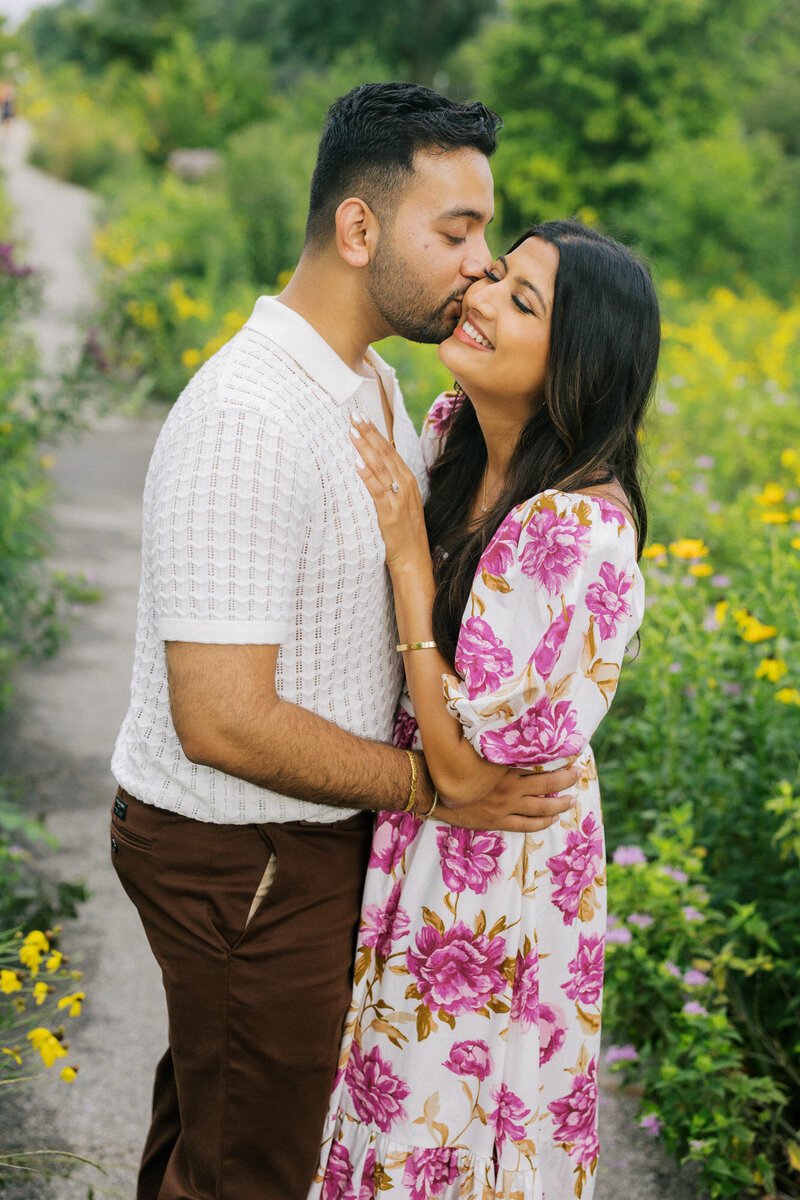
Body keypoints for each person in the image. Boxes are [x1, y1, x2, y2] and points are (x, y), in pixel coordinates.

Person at [110, 84, 578, 1200]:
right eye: (455, 233)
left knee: (217, 1134)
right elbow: (219, 717)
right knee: (253, 1171)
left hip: (301, 843)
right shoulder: (246, 417)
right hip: (247, 855)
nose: (477, 264)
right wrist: (435, 788)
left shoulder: (365, 381)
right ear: (357, 230)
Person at [310, 220, 660, 1200]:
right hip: (432, 833)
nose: (479, 297)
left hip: (497, 868)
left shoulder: (571, 529)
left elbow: (470, 769)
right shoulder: (453, 440)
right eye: (496, 275)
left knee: (446, 1124)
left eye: (521, 300)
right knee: (389, 1108)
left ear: (577, 360)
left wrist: (409, 560)